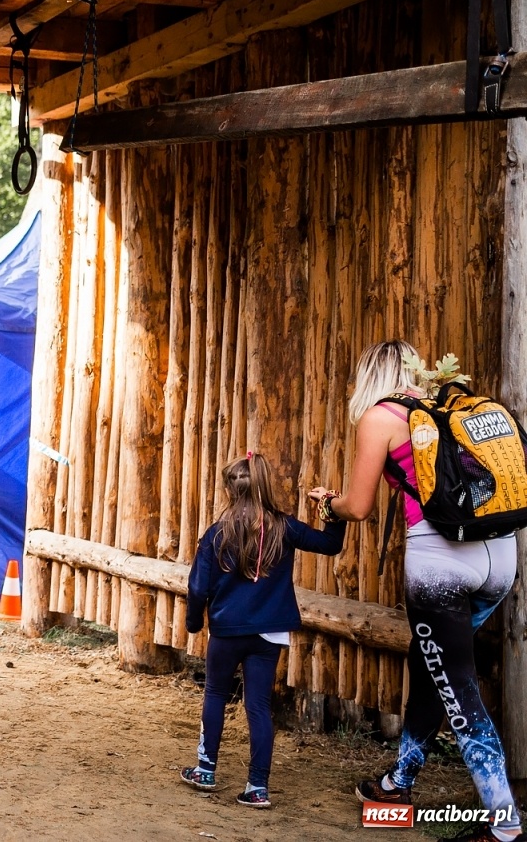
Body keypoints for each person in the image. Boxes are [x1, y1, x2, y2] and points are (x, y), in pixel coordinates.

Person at [315, 341, 522, 841]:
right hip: (501, 556)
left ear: (371, 374)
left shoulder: (379, 418)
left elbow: (359, 506)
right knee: (430, 664)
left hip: (441, 562)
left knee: (457, 686)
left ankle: (505, 824)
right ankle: (397, 783)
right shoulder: (445, 409)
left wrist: (329, 504)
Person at [181, 452, 345, 809]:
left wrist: (195, 621)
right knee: (258, 706)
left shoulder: (216, 533)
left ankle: (205, 770)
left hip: (226, 631)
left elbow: (197, 587)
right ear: (265, 486)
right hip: (269, 633)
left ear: (231, 489)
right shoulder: (285, 527)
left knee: (215, 694)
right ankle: (257, 787)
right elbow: (331, 545)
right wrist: (330, 508)